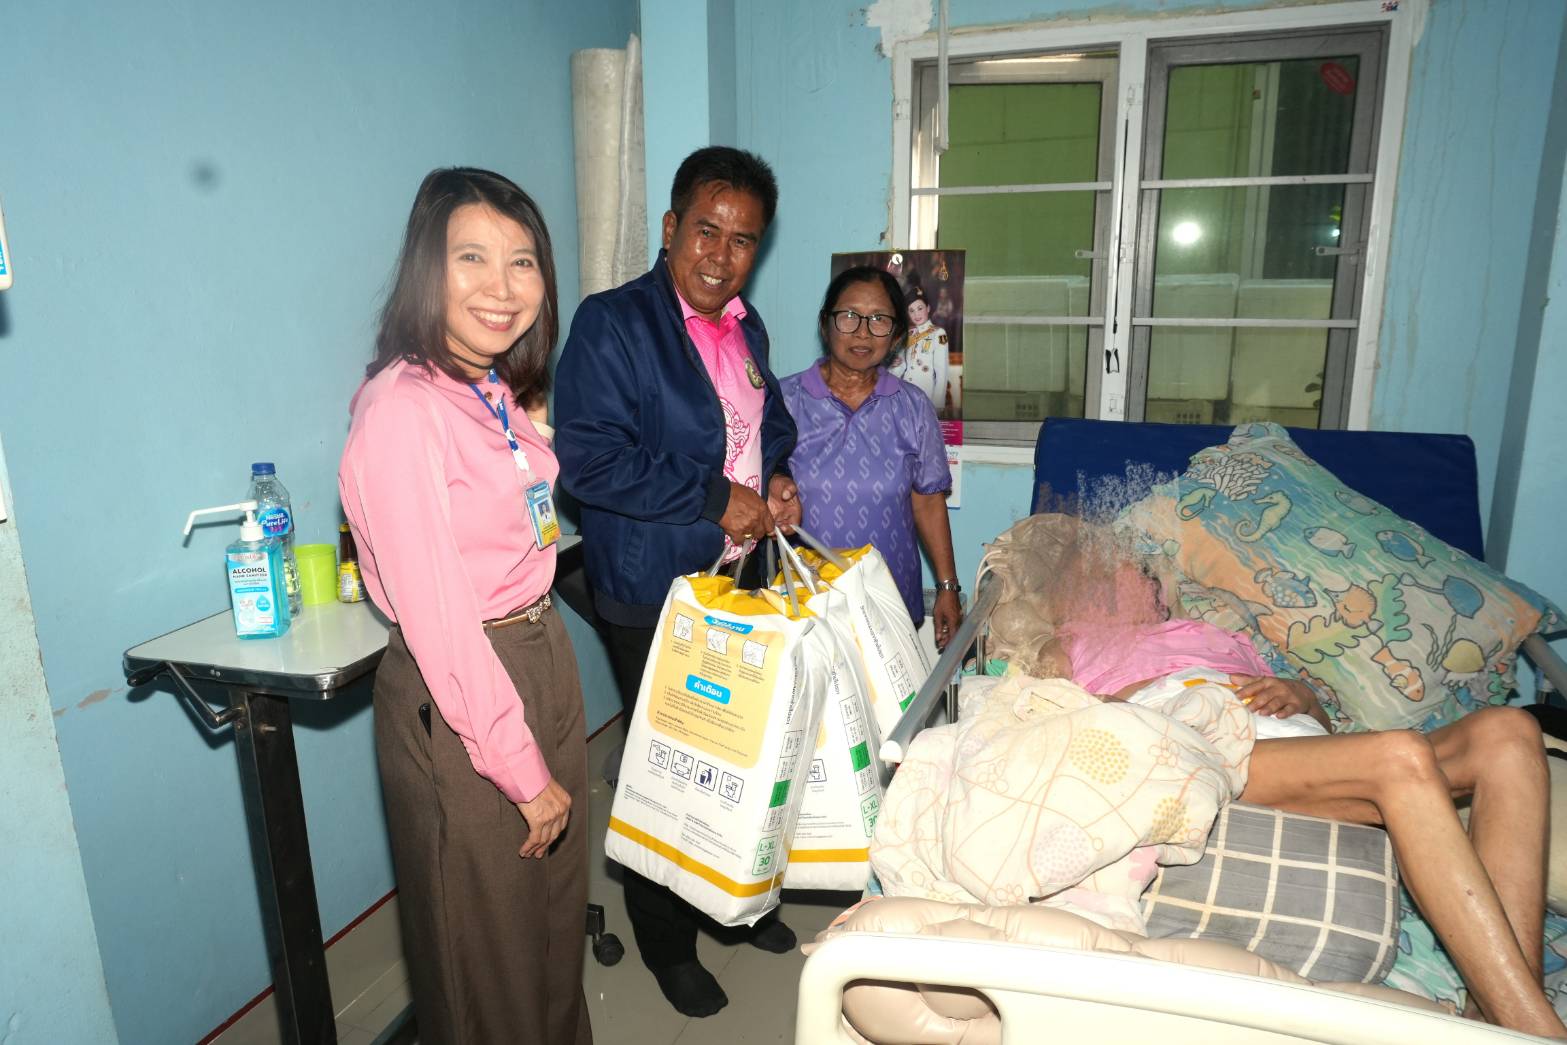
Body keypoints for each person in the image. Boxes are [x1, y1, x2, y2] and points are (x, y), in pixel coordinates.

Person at [1035, 543, 1565, 1039]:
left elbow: (1320, 734)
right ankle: (1535, 1032)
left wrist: (1301, 695)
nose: (1109, 577)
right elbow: (1041, 716)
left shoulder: (1217, 637)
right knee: (1398, 755)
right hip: (1201, 755)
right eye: (1090, 577)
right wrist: (1119, 704)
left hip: (1296, 752)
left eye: (1122, 569)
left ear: (1155, 591)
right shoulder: (1067, 645)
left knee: (1509, 732)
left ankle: (1495, 1010)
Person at [338, 168, 591, 1045]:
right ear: (426, 270)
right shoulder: (402, 410)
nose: (503, 286)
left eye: (522, 261)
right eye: (471, 257)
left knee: (551, 924)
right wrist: (519, 768)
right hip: (465, 687)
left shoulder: (486, 388)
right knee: (487, 957)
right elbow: (441, 620)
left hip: (535, 648)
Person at [554, 146, 801, 1018]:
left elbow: (770, 421)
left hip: (740, 574)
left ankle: (737, 902)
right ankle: (666, 942)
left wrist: (776, 474)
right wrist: (712, 495)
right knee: (670, 770)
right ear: (670, 228)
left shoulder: (746, 325)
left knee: (740, 754)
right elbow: (589, 460)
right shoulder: (614, 323)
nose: (720, 255)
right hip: (653, 586)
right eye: (706, 230)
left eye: (743, 239)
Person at [779, 266, 963, 647]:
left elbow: (928, 502)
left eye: (879, 319)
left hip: (889, 608)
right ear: (825, 324)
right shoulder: (783, 402)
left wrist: (948, 587)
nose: (863, 332)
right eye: (849, 316)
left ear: (896, 335)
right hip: (804, 610)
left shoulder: (912, 407)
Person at [890, 283, 950, 411]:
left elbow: (942, 373)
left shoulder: (938, 334)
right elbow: (901, 368)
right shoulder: (908, 335)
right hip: (905, 396)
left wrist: (937, 406)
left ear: (928, 308)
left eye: (920, 308)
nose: (916, 314)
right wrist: (894, 365)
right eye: (911, 310)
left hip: (926, 397)